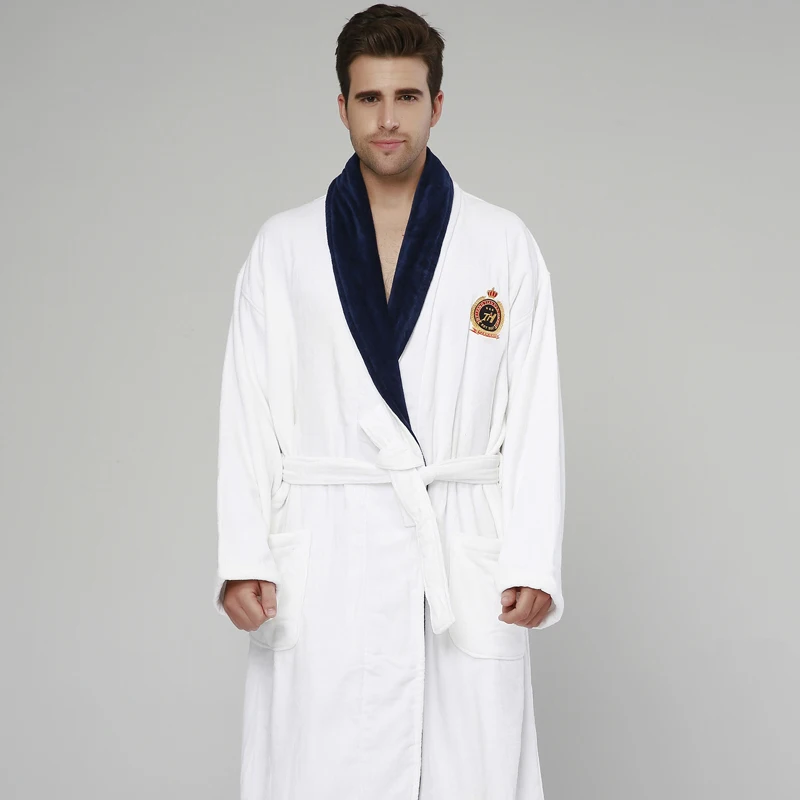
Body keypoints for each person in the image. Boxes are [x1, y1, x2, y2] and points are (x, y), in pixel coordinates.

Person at [213, 4, 566, 799]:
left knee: (467, 769)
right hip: (328, 546)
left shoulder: (500, 242)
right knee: (321, 766)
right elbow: (248, 408)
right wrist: (245, 555)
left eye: (406, 96)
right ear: (341, 107)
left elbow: (535, 411)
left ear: (437, 104)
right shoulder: (284, 246)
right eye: (369, 98)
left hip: (459, 547)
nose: (388, 119)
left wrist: (532, 555)